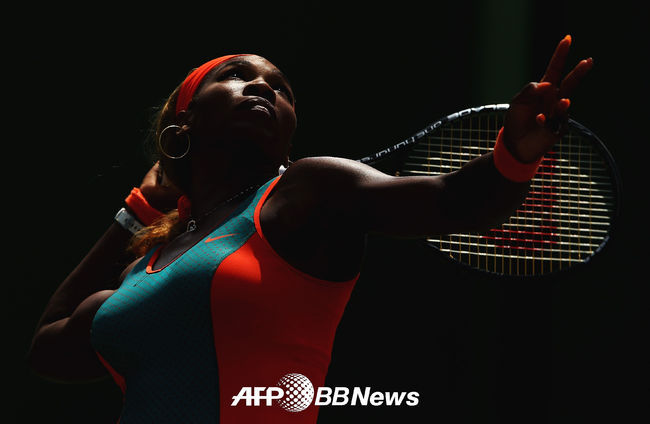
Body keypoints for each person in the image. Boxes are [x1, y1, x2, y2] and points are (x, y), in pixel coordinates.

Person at [27, 36, 592, 423]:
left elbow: (456, 203)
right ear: (184, 121)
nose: (261, 87)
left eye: (281, 89)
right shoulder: (139, 271)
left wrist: (515, 153)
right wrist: (138, 213)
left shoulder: (308, 192)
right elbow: (48, 349)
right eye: (235, 75)